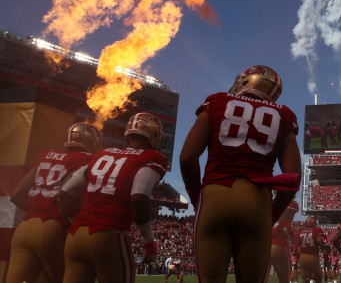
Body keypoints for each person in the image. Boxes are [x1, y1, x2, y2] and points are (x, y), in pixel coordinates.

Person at [180, 65, 302, 283]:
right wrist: (272, 214)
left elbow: (187, 157)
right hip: (257, 202)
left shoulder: (217, 101)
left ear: (246, 81)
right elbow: (293, 177)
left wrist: (196, 197)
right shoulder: (284, 114)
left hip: (216, 195)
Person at [60, 112, 166, 283]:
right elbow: (139, 197)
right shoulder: (152, 158)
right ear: (153, 134)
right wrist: (149, 242)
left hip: (76, 237)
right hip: (109, 234)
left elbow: (65, 193)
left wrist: (74, 223)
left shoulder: (102, 154)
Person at [6, 122, 100, 283]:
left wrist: (38, 209)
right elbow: (66, 193)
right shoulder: (87, 160)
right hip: (54, 227)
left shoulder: (46, 156)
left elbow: (16, 195)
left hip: (25, 226)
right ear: (91, 141)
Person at [269, 200, 299, 283]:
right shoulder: (284, 221)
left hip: (265, 248)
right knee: (285, 277)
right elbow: (289, 232)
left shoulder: (268, 219)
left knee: (262, 276)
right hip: (279, 246)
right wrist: (294, 242)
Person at [297, 216, 325, 283]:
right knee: (319, 276)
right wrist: (324, 251)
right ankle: (312, 276)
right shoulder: (317, 231)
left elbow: (295, 244)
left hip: (302, 257)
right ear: (314, 223)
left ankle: (309, 277)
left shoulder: (299, 231)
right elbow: (320, 242)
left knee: (306, 279)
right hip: (312, 257)